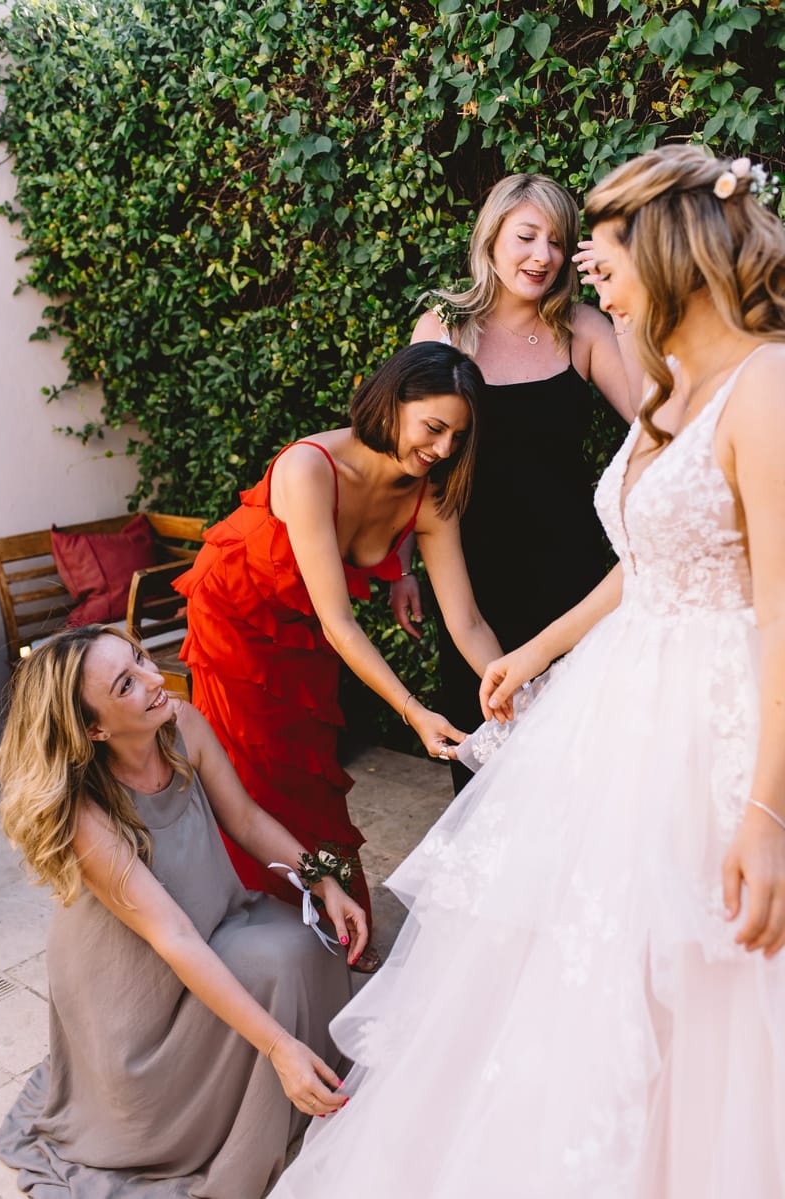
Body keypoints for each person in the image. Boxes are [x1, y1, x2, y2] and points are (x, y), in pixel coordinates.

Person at [266, 145, 785, 1197]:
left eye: (597, 252)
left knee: (707, 983)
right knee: (578, 971)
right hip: (611, 688)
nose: (581, 269)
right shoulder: (668, 393)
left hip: (714, 720)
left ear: (668, 250)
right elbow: (645, 559)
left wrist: (764, 811)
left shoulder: (756, 386)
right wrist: (535, 649)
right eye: (557, 246)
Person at [0, 625, 368, 1199]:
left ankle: (309, 1085)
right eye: (125, 683)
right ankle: (267, 1088)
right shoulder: (85, 815)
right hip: (131, 980)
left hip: (208, 919)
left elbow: (243, 818)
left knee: (304, 943)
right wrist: (276, 1047)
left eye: (140, 659)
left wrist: (324, 882)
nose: (152, 678)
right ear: (94, 728)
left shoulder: (183, 723)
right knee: (272, 972)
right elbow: (174, 938)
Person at [174, 341, 503, 972]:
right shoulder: (310, 467)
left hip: (307, 629)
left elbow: (466, 619)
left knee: (312, 775)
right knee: (249, 771)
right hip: (237, 618)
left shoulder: (429, 497)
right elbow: (341, 621)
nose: (440, 450)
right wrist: (413, 710)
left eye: (456, 438)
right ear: (392, 403)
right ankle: (253, 929)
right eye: (431, 428)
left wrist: (508, 684)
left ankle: (331, 923)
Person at [390, 172, 643, 792]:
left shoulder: (581, 327)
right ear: (492, 237)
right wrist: (400, 564)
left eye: (557, 242)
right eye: (527, 236)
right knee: (491, 756)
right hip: (472, 573)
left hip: (573, 569)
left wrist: (629, 309)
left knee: (582, 753)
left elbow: (649, 419)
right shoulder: (444, 327)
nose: (543, 257)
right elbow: (410, 457)